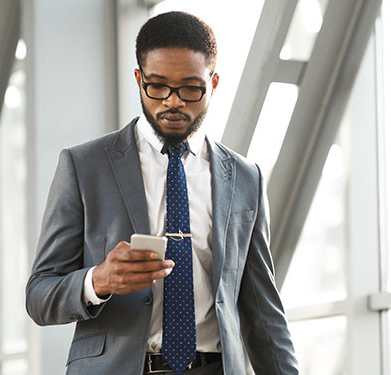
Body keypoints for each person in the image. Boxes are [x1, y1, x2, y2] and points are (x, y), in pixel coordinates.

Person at [26, 11, 298, 375]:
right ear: (139, 80)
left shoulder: (246, 178)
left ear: (213, 83)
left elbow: (264, 312)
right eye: (157, 86)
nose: (172, 102)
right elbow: (40, 295)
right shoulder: (84, 165)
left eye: (190, 88)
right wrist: (99, 281)